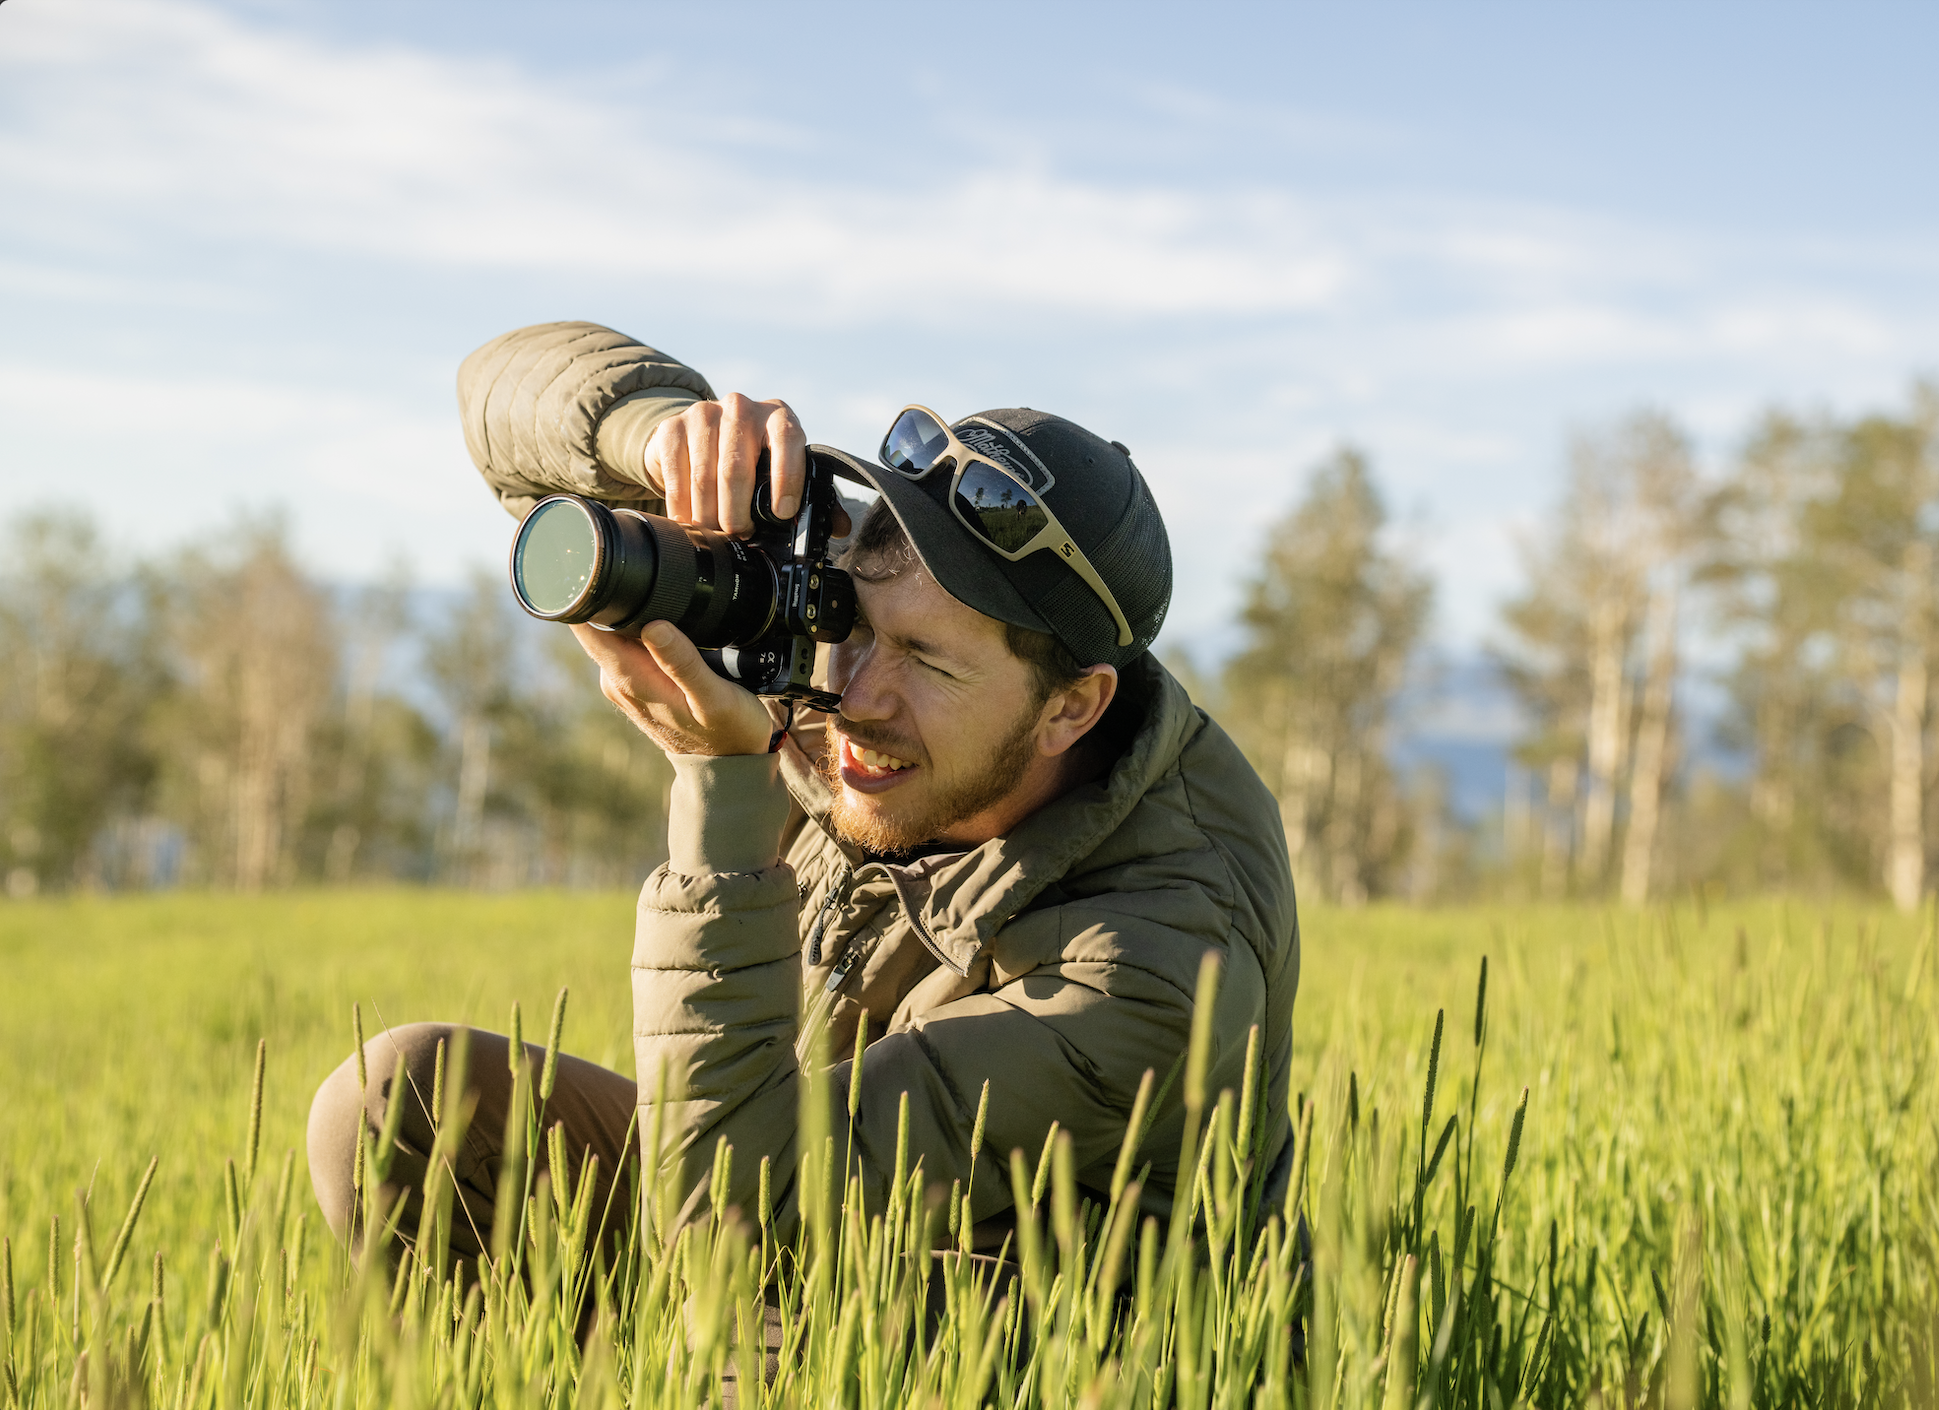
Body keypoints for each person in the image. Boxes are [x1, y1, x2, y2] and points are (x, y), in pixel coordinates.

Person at [307, 321, 1301, 1276]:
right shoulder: (843, 685)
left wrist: (718, 790)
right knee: (401, 1102)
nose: (851, 698)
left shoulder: (1162, 963)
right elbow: (501, 405)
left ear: (1069, 710)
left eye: (926, 662)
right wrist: (663, 440)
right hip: (781, 1187)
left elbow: (727, 1232)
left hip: (996, 1331)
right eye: (858, 624)